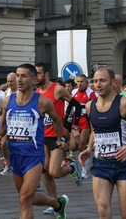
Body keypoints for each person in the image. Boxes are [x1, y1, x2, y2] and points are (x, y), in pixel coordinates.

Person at [78, 68, 126, 218]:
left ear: (113, 82)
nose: (98, 84)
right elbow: (96, 130)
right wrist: (89, 149)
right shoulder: (90, 106)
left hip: (123, 162)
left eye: (102, 80)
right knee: (102, 209)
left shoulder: (124, 103)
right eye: (95, 81)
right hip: (101, 162)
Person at [0, 63, 69, 219]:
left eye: (23, 76)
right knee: (27, 198)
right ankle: (58, 204)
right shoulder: (7, 101)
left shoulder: (42, 102)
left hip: (34, 156)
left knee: (24, 198)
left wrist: (60, 138)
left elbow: (56, 120)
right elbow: (3, 125)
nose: (19, 79)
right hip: (15, 155)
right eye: (17, 75)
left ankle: (56, 204)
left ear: (34, 79)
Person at [35, 62, 84, 215]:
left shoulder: (57, 89)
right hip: (42, 137)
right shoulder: (36, 92)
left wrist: (73, 127)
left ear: (47, 74)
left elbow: (76, 105)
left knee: (54, 171)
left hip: (56, 136)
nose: (35, 77)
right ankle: (55, 203)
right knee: (46, 173)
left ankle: (72, 168)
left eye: (38, 73)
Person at [70, 74, 95, 178]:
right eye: (78, 82)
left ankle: (84, 168)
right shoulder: (73, 92)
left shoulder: (91, 93)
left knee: (80, 146)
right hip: (75, 121)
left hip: (85, 121)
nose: (79, 84)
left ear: (86, 83)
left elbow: (93, 107)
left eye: (82, 82)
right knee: (72, 146)